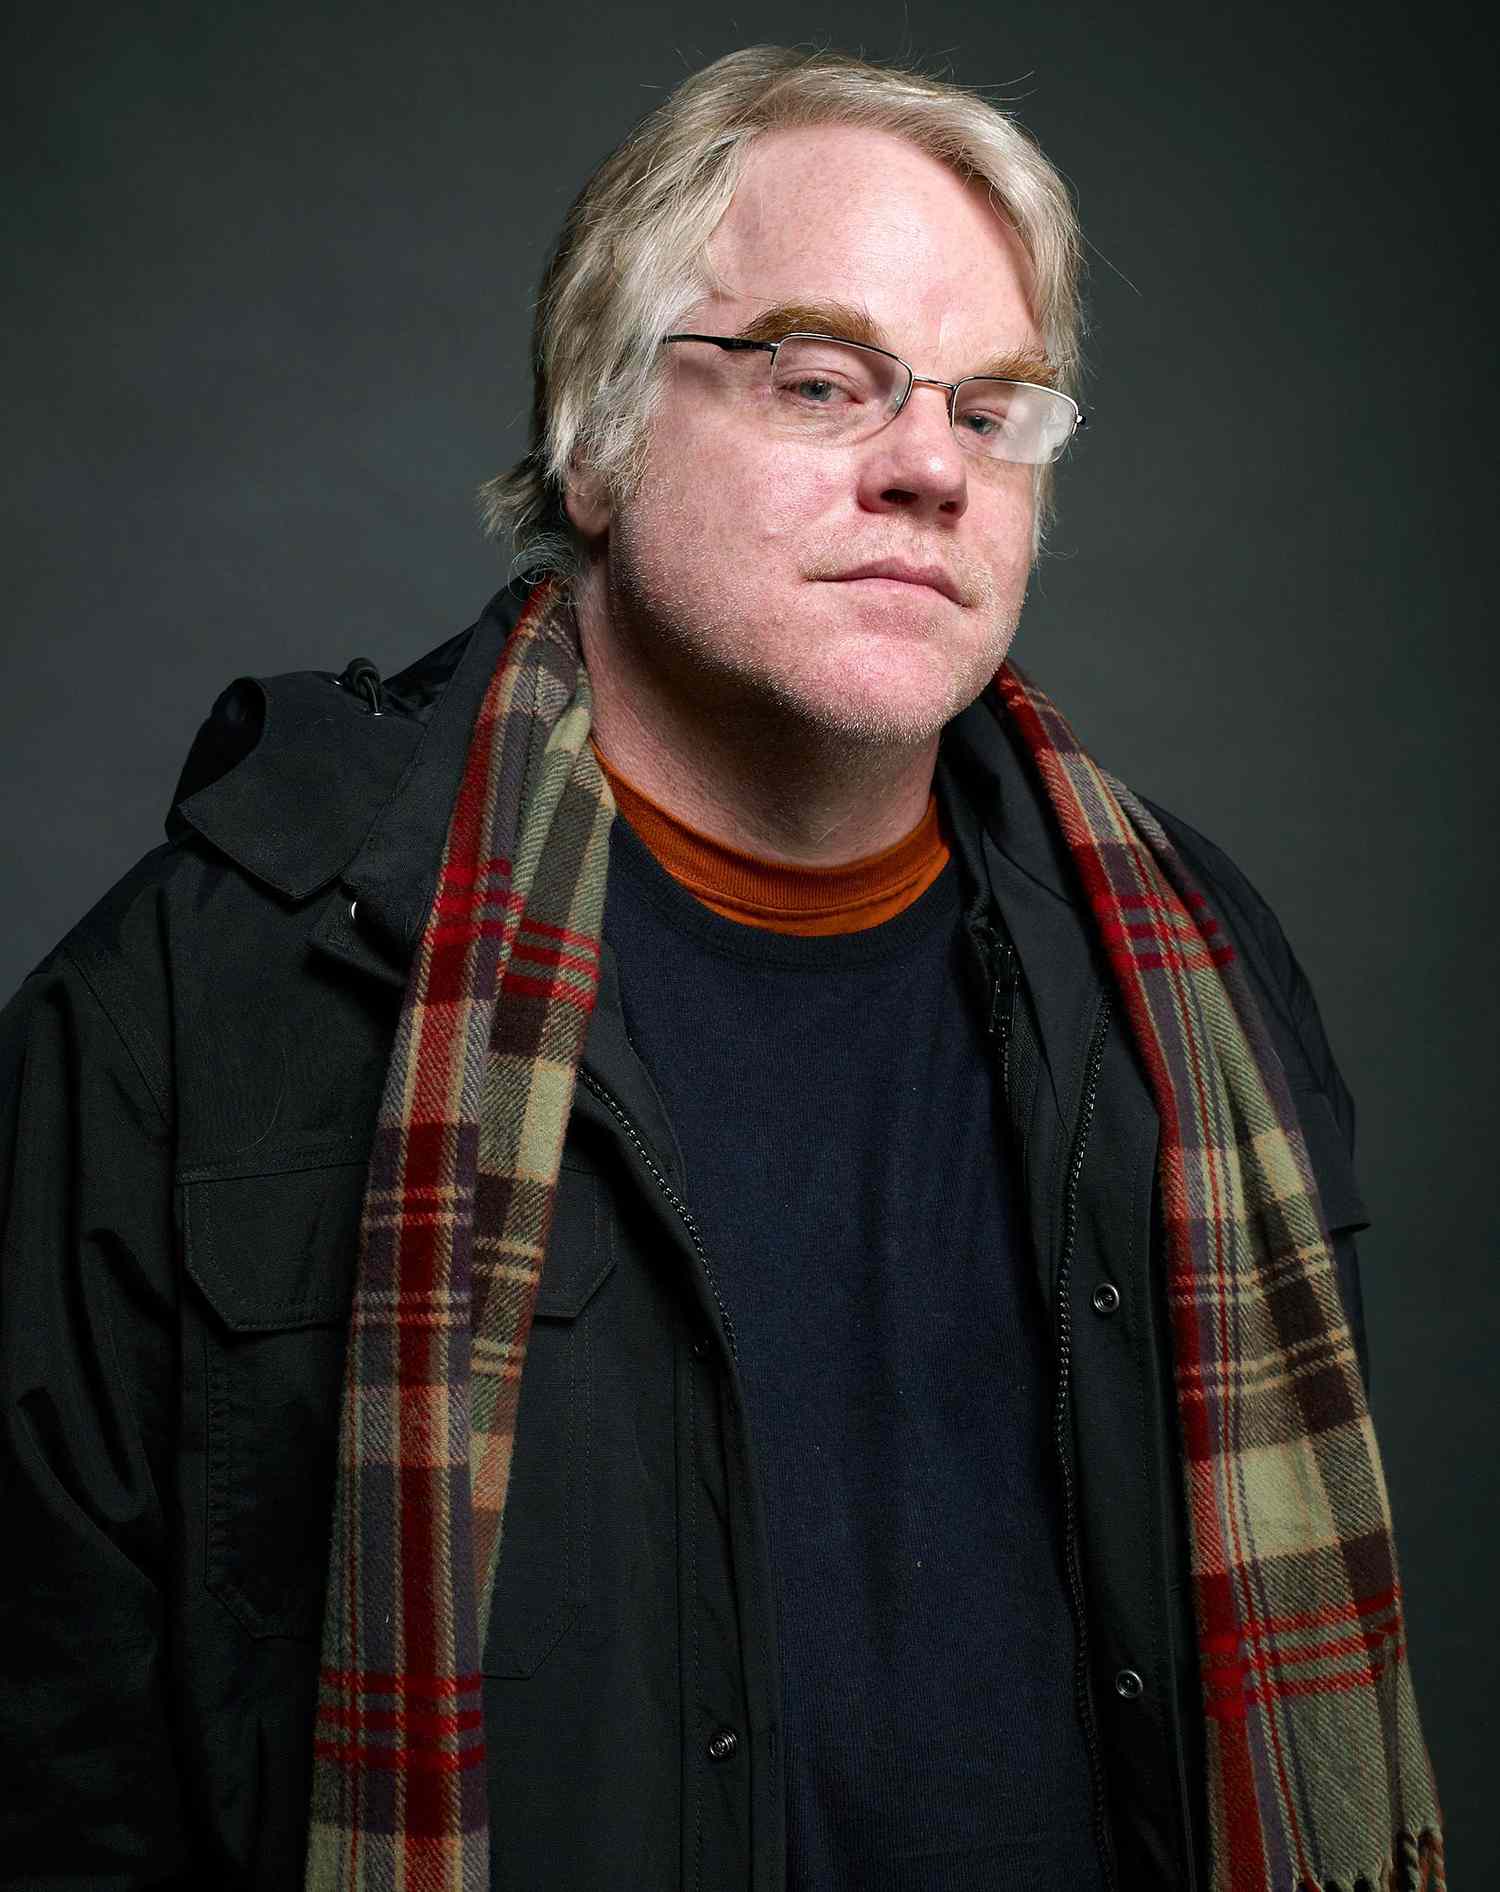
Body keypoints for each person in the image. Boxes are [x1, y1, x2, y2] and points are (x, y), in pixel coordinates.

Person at [0, 43, 1444, 1892]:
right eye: (822, 380)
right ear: (595, 438)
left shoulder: (1201, 983)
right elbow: (47, 1771)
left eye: (995, 409)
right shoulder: (209, 992)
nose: (931, 467)